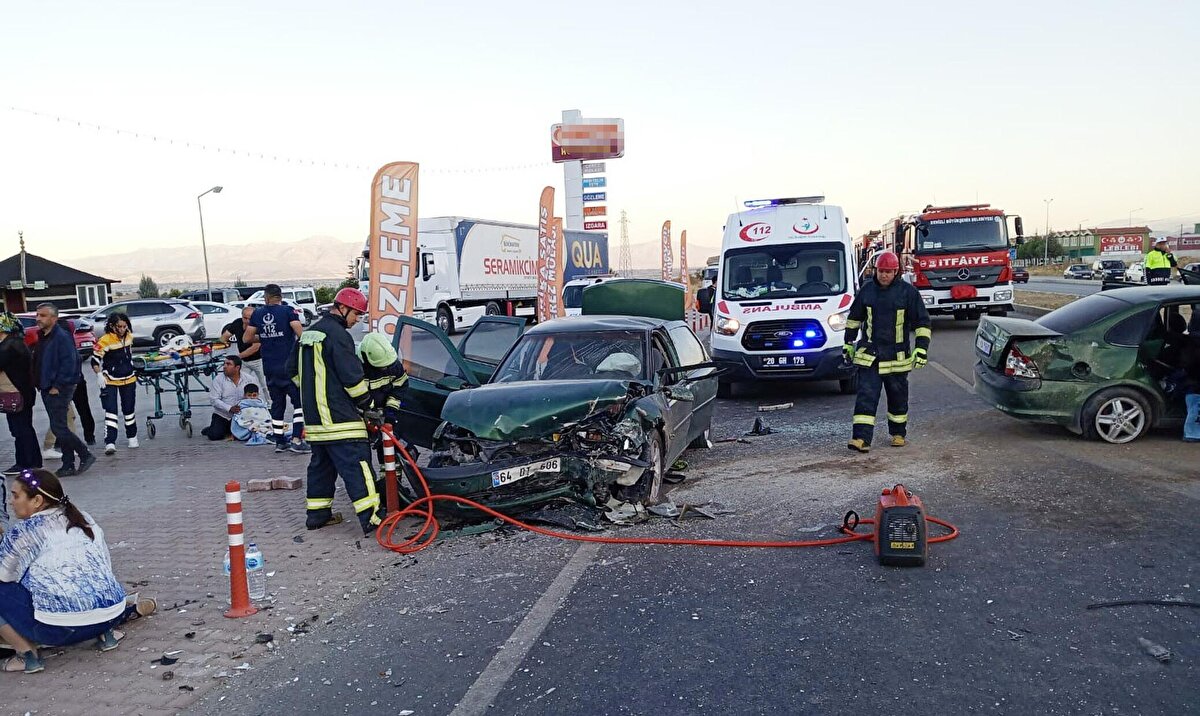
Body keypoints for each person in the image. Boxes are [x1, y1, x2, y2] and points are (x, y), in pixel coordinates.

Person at [0, 468, 155, 674]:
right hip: (108, 617)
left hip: (58, 631)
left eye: (15, 496)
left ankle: (26, 654)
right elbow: (104, 566)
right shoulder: (84, 518)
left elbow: (4, 575)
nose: (11, 502)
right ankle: (111, 626)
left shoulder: (24, 532)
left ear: (37, 501)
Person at [287, 288, 382, 535]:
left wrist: (315, 394)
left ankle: (317, 516)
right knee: (358, 467)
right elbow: (353, 379)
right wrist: (369, 406)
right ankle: (373, 519)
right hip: (341, 421)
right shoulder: (339, 336)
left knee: (321, 467)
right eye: (356, 315)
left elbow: (293, 372)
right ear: (343, 308)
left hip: (316, 422)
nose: (356, 320)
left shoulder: (309, 334)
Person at [843, 251, 931, 453]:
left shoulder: (908, 293)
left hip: (897, 358)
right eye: (881, 271)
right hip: (870, 356)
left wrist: (921, 349)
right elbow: (854, 319)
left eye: (888, 272)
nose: (884, 275)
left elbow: (922, 323)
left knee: (898, 397)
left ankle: (898, 434)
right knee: (866, 396)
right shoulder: (867, 291)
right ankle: (860, 438)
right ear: (876, 271)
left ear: (896, 272)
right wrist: (848, 342)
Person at [245, 285, 309, 454]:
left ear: (266, 298)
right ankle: (296, 439)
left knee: (277, 405)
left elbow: (247, 337)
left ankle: (280, 442)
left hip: (269, 368)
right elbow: (301, 333)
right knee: (299, 404)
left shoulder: (257, 314)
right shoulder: (288, 311)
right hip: (289, 368)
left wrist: (265, 336)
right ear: (280, 296)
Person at [32, 304, 94, 477]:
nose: (38, 318)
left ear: (54, 318)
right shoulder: (44, 336)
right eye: (38, 315)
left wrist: (57, 386)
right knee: (60, 425)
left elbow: (71, 363)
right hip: (46, 387)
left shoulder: (61, 336)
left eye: (43, 315)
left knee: (59, 428)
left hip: (59, 389)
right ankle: (67, 464)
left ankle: (85, 454)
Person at [0, 312, 40, 481]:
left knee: (20, 429)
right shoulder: (15, 343)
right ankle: (29, 460)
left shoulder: (9, 346)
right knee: (23, 428)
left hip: (17, 394)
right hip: (22, 393)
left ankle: (26, 462)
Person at [91, 313, 138, 456]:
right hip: (110, 379)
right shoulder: (105, 340)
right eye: (120, 327)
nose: (123, 329)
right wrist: (99, 374)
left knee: (129, 410)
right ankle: (110, 442)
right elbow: (95, 360)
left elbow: (129, 354)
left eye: (125, 326)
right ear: (112, 326)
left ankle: (132, 437)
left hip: (129, 378)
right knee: (111, 411)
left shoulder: (129, 337)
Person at [222, 305, 270, 409]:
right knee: (241, 385)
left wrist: (237, 357)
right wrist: (223, 344)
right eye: (245, 318)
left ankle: (270, 406)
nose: (247, 321)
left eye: (250, 318)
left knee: (265, 385)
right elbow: (225, 336)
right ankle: (244, 406)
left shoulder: (258, 325)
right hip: (244, 362)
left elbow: (255, 347)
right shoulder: (237, 323)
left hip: (259, 360)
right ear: (242, 316)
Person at [202, 356, 251, 441]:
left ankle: (230, 430)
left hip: (242, 415)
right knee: (215, 436)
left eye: (228, 364)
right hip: (223, 415)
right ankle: (212, 429)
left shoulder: (249, 379)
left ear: (237, 368)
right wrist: (229, 408)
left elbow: (255, 396)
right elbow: (214, 400)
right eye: (224, 364)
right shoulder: (218, 379)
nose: (225, 366)